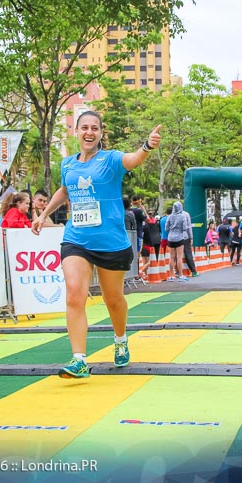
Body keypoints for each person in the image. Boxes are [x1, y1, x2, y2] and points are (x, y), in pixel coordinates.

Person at [30, 112, 161, 379]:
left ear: (101, 133)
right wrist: (44, 215)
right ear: (76, 131)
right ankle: (78, 359)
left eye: (94, 128)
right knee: (74, 294)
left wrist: (147, 145)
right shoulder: (68, 164)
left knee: (113, 300)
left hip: (111, 242)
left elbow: (133, 160)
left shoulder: (110, 159)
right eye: (84, 128)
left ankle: (121, 339)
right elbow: (64, 191)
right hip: (76, 239)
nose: (89, 132)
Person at [165, 201, 192, 281]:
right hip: (179, 238)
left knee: (171, 257)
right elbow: (184, 228)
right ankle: (180, 275)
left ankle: (171, 275)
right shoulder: (183, 216)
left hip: (170, 238)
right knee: (179, 257)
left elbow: (166, 228)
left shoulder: (169, 216)